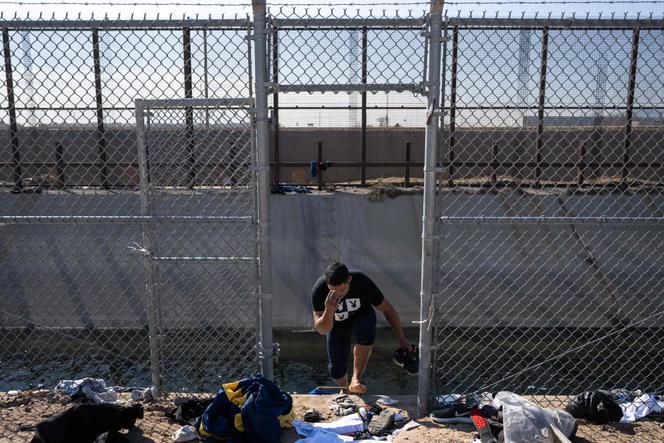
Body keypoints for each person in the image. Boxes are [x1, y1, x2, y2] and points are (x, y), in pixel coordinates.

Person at [311, 262, 414, 394]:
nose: (338, 294)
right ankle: (346, 389)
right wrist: (329, 310)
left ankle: (356, 379)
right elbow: (322, 330)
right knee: (336, 369)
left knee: (365, 329)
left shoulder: (361, 281)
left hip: (361, 315)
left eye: (342, 289)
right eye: (332, 290)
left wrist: (401, 338)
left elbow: (388, 309)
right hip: (336, 324)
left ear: (349, 279)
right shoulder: (320, 289)